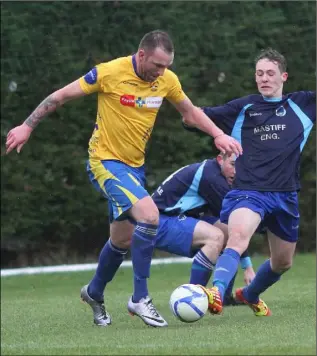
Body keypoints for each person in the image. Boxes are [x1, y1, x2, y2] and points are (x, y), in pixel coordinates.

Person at [5, 30, 242, 328]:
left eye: (166, 65)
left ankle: (93, 293)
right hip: (104, 163)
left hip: (134, 169)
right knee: (150, 215)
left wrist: (218, 134)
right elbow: (59, 97)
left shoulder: (167, 80)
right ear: (141, 55)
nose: (162, 71)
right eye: (157, 65)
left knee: (121, 239)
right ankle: (140, 298)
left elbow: (190, 113)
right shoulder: (108, 73)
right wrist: (27, 126)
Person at [184, 48, 316, 316]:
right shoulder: (242, 108)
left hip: (285, 195)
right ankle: (217, 291)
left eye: (270, 73)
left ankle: (250, 294)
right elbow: (192, 116)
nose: (264, 78)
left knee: (282, 262)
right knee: (238, 237)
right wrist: (183, 106)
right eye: (259, 74)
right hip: (248, 192)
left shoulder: (302, 105)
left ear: (284, 76)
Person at [151, 152, 256, 306]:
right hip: (159, 222)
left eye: (240, 167)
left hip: (173, 218)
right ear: (220, 159)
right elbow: (237, 224)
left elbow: (232, 229)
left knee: (226, 233)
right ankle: (190, 300)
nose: (236, 171)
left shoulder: (213, 171)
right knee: (215, 237)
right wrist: (248, 268)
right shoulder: (211, 178)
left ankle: (223, 297)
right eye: (232, 164)